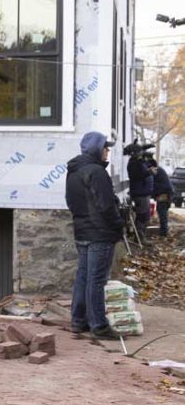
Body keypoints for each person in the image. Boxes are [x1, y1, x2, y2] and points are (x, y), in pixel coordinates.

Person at [64, 131, 124, 341]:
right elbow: (106, 205)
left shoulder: (73, 172)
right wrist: (118, 226)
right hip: (100, 233)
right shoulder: (97, 172)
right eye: (105, 148)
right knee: (96, 280)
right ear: (97, 149)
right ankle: (99, 325)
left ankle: (78, 321)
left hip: (82, 231)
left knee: (83, 276)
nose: (108, 152)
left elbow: (70, 202)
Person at [126, 148, 154, 238]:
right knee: (142, 216)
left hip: (144, 192)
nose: (141, 153)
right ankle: (139, 238)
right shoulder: (134, 164)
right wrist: (149, 172)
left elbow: (152, 165)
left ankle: (141, 236)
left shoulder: (140, 163)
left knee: (145, 216)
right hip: (140, 193)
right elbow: (137, 176)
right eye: (139, 152)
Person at [150, 157, 173, 237]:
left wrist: (152, 195)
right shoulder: (159, 170)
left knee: (162, 211)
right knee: (163, 212)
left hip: (163, 194)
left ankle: (163, 233)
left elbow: (153, 185)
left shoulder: (156, 171)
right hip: (165, 193)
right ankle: (164, 231)